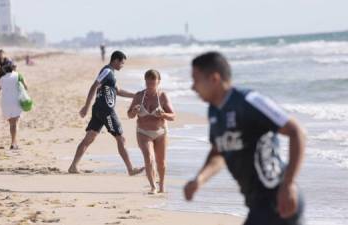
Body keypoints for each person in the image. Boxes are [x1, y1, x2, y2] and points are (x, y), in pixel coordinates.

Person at [184, 52, 305, 225]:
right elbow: (219, 152)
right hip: (258, 204)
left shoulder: (249, 101)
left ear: (214, 79)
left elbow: (296, 132)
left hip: (278, 200)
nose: (193, 87)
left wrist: (289, 184)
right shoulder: (214, 111)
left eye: (196, 80)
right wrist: (200, 179)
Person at [68, 51, 144, 175]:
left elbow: (118, 91)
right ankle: (130, 169)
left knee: (89, 138)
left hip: (99, 109)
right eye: (122, 63)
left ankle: (73, 166)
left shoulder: (111, 74)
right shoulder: (107, 71)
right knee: (121, 138)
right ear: (115, 60)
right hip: (106, 110)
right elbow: (94, 86)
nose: (122, 66)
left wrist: (135, 95)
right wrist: (86, 107)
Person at [127, 69, 175, 194]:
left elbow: (173, 116)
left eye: (153, 82)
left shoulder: (162, 96)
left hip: (160, 132)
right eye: (148, 82)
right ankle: (153, 186)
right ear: (145, 81)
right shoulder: (139, 96)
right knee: (148, 158)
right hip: (143, 132)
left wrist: (163, 114)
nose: (150, 85)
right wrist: (134, 111)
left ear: (158, 82)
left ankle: (162, 185)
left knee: (161, 162)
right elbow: (129, 115)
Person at [0, 60, 27, 150]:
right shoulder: (18, 76)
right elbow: (26, 87)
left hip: (5, 103)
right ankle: (14, 143)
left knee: (11, 123)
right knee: (15, 123)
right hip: (16, 102)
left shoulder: (2, 79)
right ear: (13, 68)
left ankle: (13, 142)